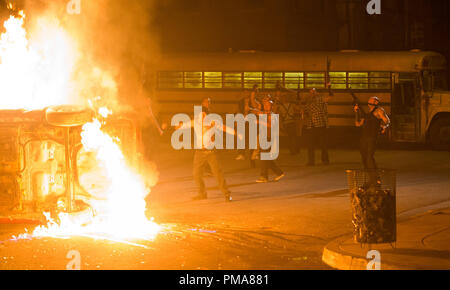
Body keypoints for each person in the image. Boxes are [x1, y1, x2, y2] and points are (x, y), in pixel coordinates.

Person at [177, 97, 236, 202]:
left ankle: (227, 194)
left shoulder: (212, 122)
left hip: (211, 152)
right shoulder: (195, 122)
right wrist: (177, 126)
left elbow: (223, 127)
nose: (203, 117)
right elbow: (183, 125)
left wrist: (234, 132)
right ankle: (202, 193)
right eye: (201, 115)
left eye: (205, 115)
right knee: (196, 174)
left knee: (218, 174)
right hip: (199, 152)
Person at [354, 96, 391, 171]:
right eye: (369, 101)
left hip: (372, 137)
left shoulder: (379, 110)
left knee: (369, 157)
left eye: (371, 101)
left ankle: (375, 177)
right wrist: (356, 112)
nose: (369, 102)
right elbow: (358, 124)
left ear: (376, 102)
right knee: (364, 156)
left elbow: (387, 121)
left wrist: (384, 126)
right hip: (364, 137)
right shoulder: (367, 113)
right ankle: (369, 174)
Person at [256, 95, 285, 183]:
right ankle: (279, 172)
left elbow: (271, 126)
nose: (266, 106)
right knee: (266, 157)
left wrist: (260, 121)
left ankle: (264, 176)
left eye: (267, 104)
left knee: (264, 157)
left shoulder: (272, 115)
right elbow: (256, 111)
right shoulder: (265, 113)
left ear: (271, 106)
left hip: (269, 138)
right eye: (265, 104)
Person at [303, 86, 332, 166]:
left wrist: (329, 88)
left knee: (323, 144)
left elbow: (330, 97)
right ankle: (311, 162)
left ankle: (325, 160)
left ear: (317, 93)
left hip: (320, 124)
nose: (312, 93)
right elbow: (305, 111)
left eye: (313, 92)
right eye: (311, 92)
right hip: (310, 125)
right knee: (310, 145)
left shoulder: (320, 99)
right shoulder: (308, 102)